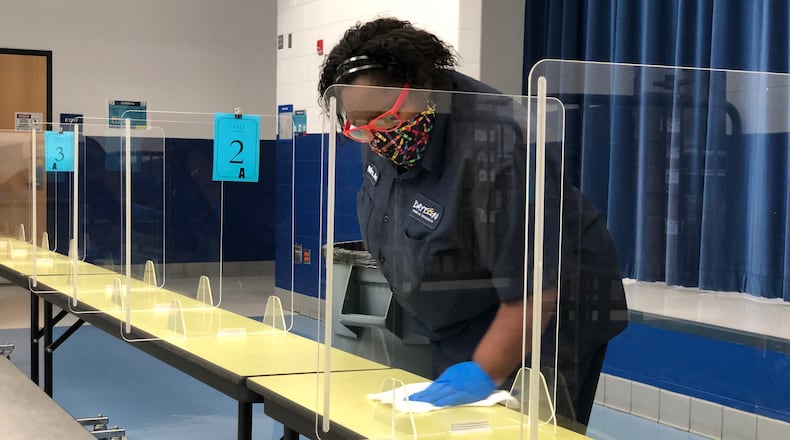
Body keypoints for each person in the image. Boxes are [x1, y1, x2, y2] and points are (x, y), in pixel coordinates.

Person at [318, 17, 628, 431]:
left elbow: (537, 289)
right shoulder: (384, 129)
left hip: (549, 319)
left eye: (385, 120)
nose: (375, 136)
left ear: (422, 84)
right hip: (464, 307)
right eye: (359, 125)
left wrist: (485, 370)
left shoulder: (496, 142)